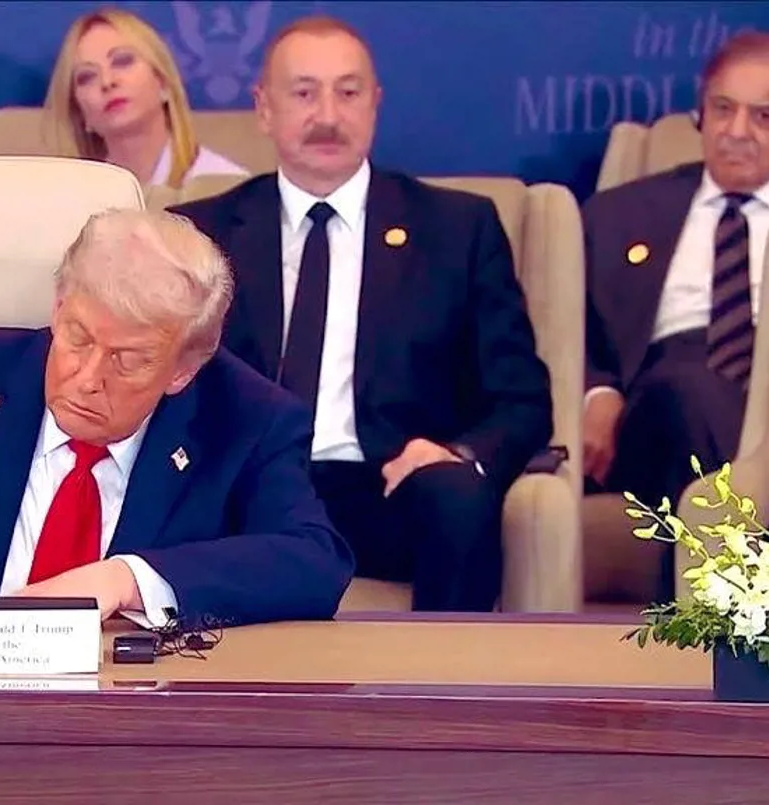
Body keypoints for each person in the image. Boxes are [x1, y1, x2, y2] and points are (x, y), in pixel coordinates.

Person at [0, 208, 354, 629]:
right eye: (76, 336)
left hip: (133, 723)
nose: (87, 376)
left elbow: (316, 562)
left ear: (183, 370)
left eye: (128, 360)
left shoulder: (247, 418)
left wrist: (126, 580)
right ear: (57, 307)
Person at [171, 16, 552, 612]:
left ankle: (451, 673)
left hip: (390, 483)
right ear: (263, 108)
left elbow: (522, 398)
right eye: (304, 93)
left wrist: (459, 455)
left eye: (347, 93)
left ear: (375, 103)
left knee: (456, 495)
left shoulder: (457, 228)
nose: (327, 115)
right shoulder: (202, 232)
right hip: (248, 487)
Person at [583, 31, 769, 526]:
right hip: (660, 407)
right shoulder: (619, 214)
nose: (737, 131)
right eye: (723, 109)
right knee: (691, 388)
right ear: (701, 114)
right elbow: (564, 328)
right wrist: (597, 394)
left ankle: (721, 575)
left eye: (763, 117)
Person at [42, 7, 249, 189]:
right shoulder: (73, 200)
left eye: (122, 61)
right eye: (87, 76)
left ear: (163, 82)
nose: (107, 81)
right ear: (81, 115)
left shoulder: (227, 186)